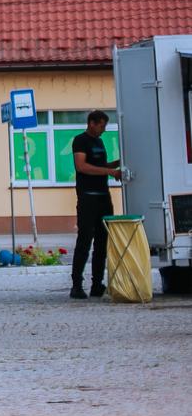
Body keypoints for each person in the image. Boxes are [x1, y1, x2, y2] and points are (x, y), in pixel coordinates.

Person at [70, 110, 122, 299]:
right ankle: (77, 285)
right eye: (101, 125)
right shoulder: (80, 140)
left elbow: (100, 165)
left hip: (103, 197)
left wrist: (115, 165)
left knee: (102, 242)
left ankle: (97, 284)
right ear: (91, 123)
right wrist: (110, 172)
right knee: (85, 240)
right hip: (87, 197)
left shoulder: (99, 142)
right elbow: (82, 166)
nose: (103, 129)